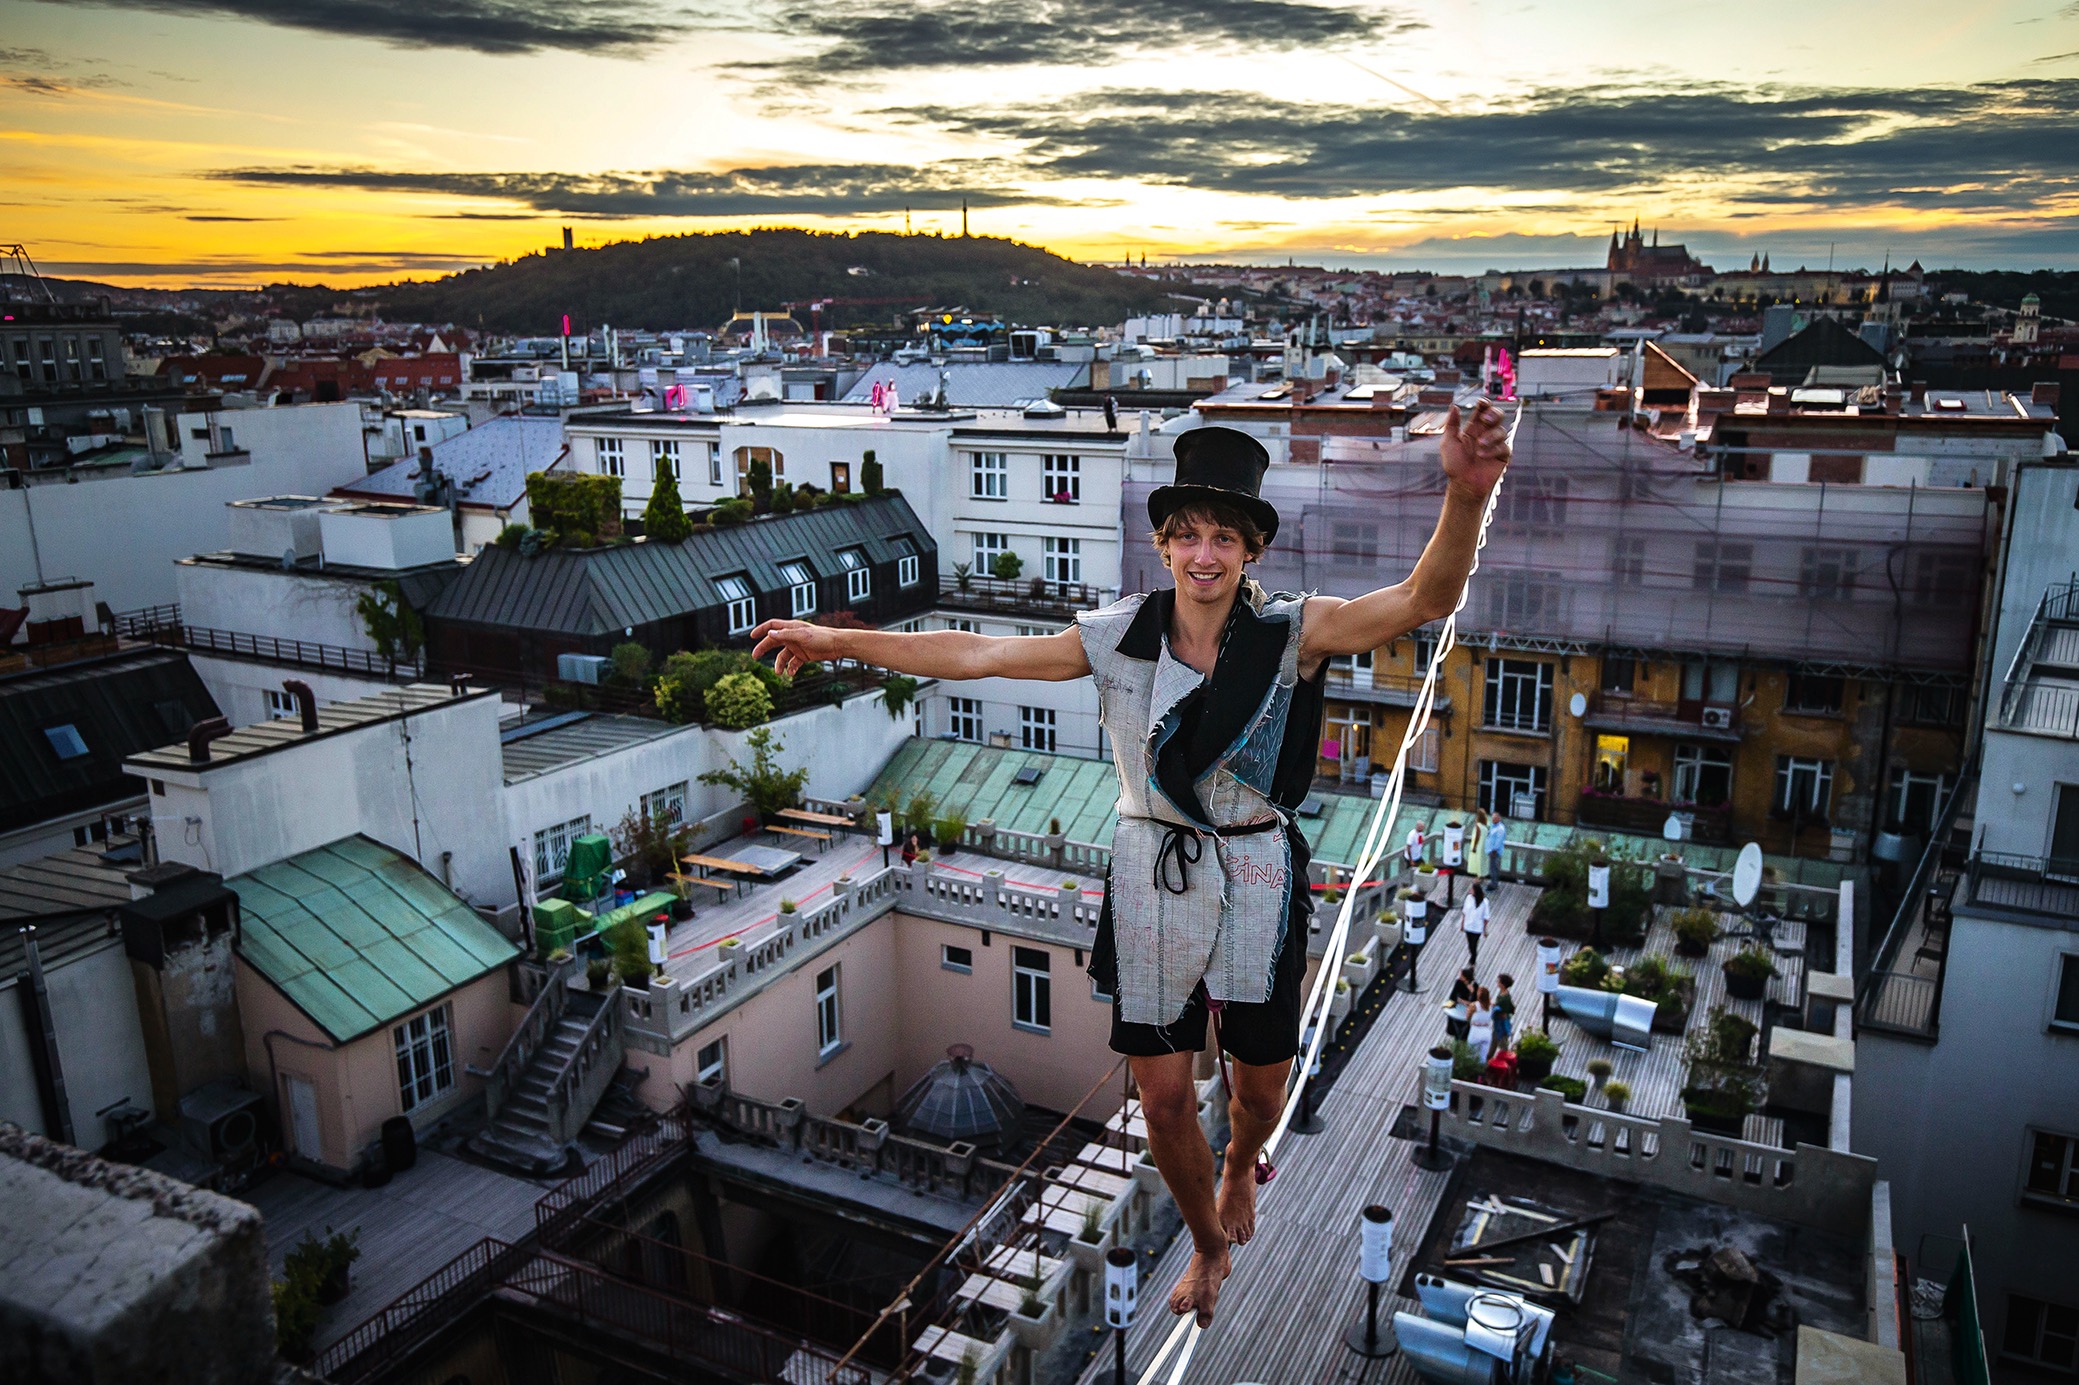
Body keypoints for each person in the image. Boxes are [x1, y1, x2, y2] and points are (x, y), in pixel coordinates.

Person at [751, 406, 1511, 1328]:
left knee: (1258, 1090)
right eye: (1186, 533)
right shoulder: (1113, 636)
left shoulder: (1294, 632)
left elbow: (1423, 598)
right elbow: (976, 651)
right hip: (1152, 864)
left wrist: (1468, 494)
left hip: (1257, 868)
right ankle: (1205, 1242)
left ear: (1249, 550)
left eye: (1222, 537)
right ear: (1161, 544)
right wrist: (840, 640)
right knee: (1159, 1099)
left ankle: (1239, 1161)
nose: (1203, 553)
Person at [1462, 880, 1489, 973]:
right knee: (1470, 945)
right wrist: (1462, 924)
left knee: (1474, 944)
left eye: (1472, 889)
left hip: (1477, 927)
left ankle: (1473, 961)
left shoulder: (1484, 902)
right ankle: (1473, 957)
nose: (1470, 890)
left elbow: (1486, 917)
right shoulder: (1468, 898)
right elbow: (1464, 912)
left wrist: (1484, 930)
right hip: (1468, 925)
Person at [1446, 966, 1476, 1042]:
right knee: (1456, 1029)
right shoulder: (1458, 982)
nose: (1459, 977)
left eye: (1461, 975)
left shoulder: (1474, 986)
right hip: (1458, 1009)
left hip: (1468, 1012)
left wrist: (1472, 993)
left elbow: (1475, 1002)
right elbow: (1452, 996)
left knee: (1465, 1032)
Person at [1467, 985, 1495, 1065]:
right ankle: (1481, 1075)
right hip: (1486, 1031)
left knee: (1471, 1055)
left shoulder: (1474, 1006)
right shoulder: (1491, 1006)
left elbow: (1467, 1017)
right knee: (1482, 1058)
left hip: (1475, 1031)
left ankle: (1471, 1075)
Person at [1493, 973, 1516, 1052]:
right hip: (1497, 1024)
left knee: (1503, 1045)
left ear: (1503, 984)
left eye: (1498, 982)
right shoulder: (1502, 993)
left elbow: (1504, 1014)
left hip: (1501, 1026)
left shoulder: (1505, 999)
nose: (1497, 983)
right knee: (1494, 1042)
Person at [1485, 812, 1508, 882]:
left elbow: (1499, 840)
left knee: (1494, 869)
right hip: (1491, 851)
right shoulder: (1493, 826)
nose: (1493, 819)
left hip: (1494, 852)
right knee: (1492, 868)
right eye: (1492, 818)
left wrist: (1494, 850)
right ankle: (1493, 882)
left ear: (1499, 818)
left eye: (1495, 818)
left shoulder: (1500, 828)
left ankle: (1494, 884)